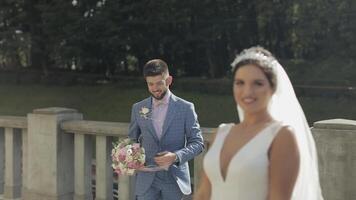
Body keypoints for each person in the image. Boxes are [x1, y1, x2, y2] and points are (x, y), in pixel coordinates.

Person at [194, 46, 324, 200]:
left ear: (273, 88)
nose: (247, 91)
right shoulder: (221, 133)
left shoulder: (281, 136)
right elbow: (203, 194)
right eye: (240, 83)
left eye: (258, 83)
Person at [128, 59, 204, 200]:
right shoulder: (138, 108)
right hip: (146, 179)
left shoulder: (186, 108)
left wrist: (175, 157)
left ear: (168, 80)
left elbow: (198, 143)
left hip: (174, 179)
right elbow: (132, 139)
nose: (154, 88)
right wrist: (132, 157)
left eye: (159, 83)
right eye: (150, 84)